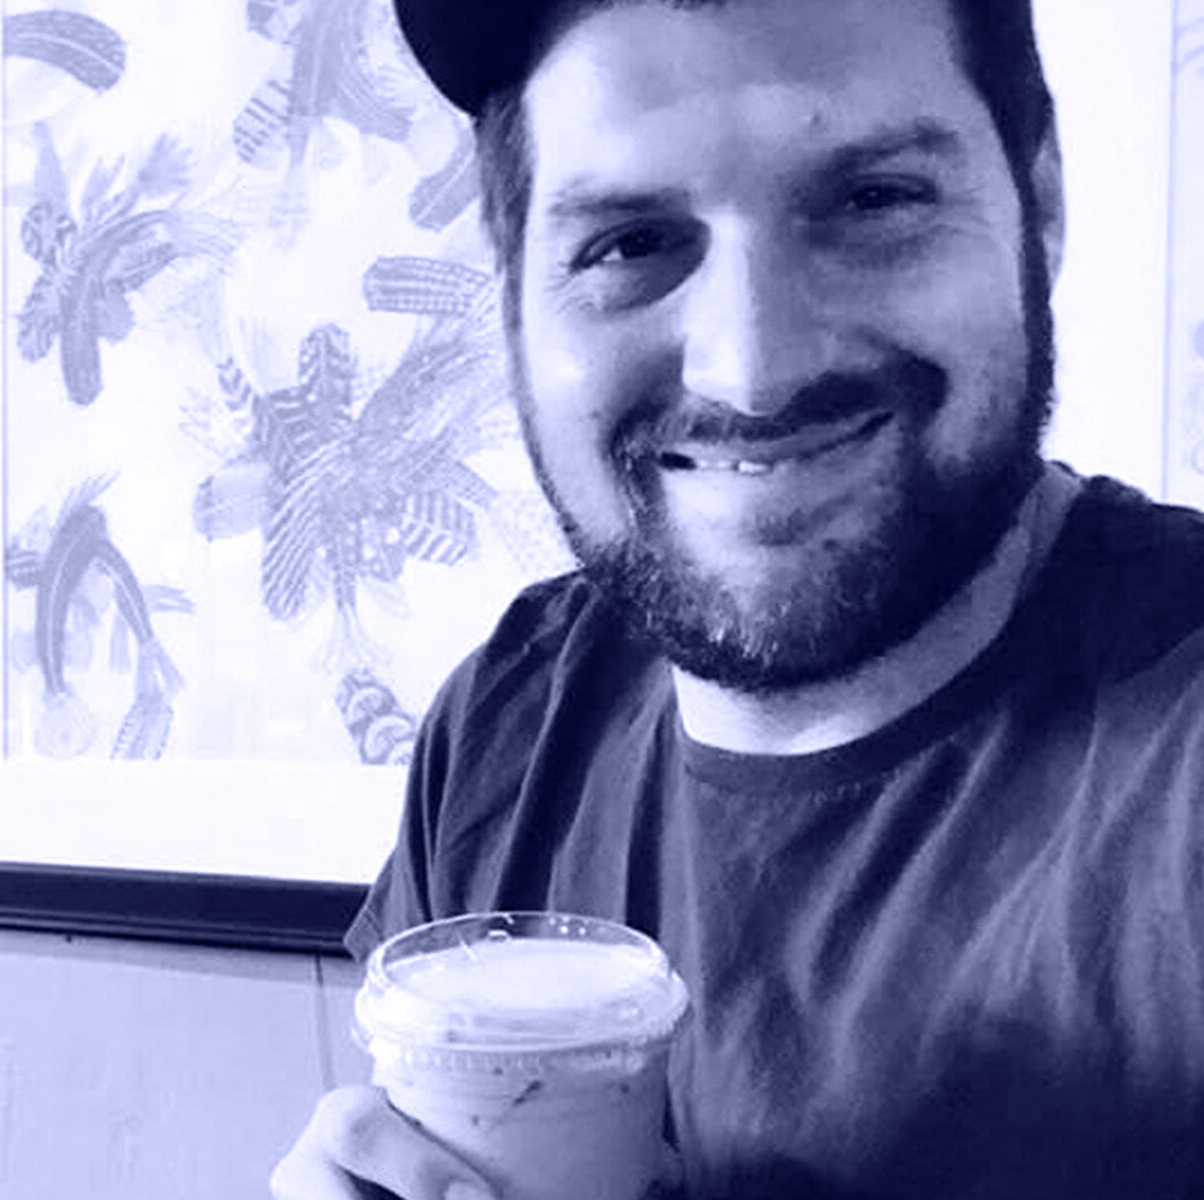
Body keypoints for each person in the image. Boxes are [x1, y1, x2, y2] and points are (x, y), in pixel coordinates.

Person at [270, 0, 1204, 1196]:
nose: (752, 369)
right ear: (514, 296)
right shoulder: (509, 720)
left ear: (1043, 204)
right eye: (630, 243)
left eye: (874, 201)